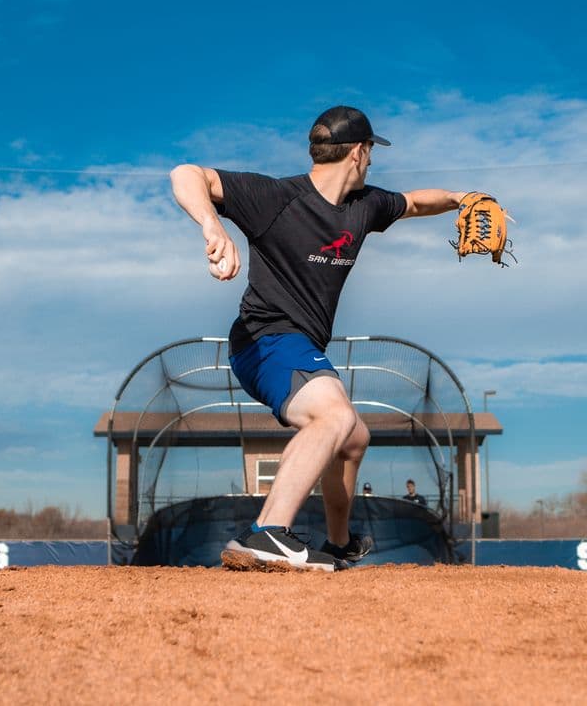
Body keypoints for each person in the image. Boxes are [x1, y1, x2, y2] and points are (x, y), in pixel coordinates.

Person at [170, 105, 480, 572]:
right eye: (372, 151)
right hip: (265, 338)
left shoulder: (365, 206)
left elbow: (415, 202)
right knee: (334, 415)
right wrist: (212, 225)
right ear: (358, 151)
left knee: (354, 437)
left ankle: (338, 544)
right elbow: (187, 173)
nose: (373, 161)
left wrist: (461, 198)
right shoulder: (278, 198)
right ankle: (266, 531)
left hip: (298, 345)